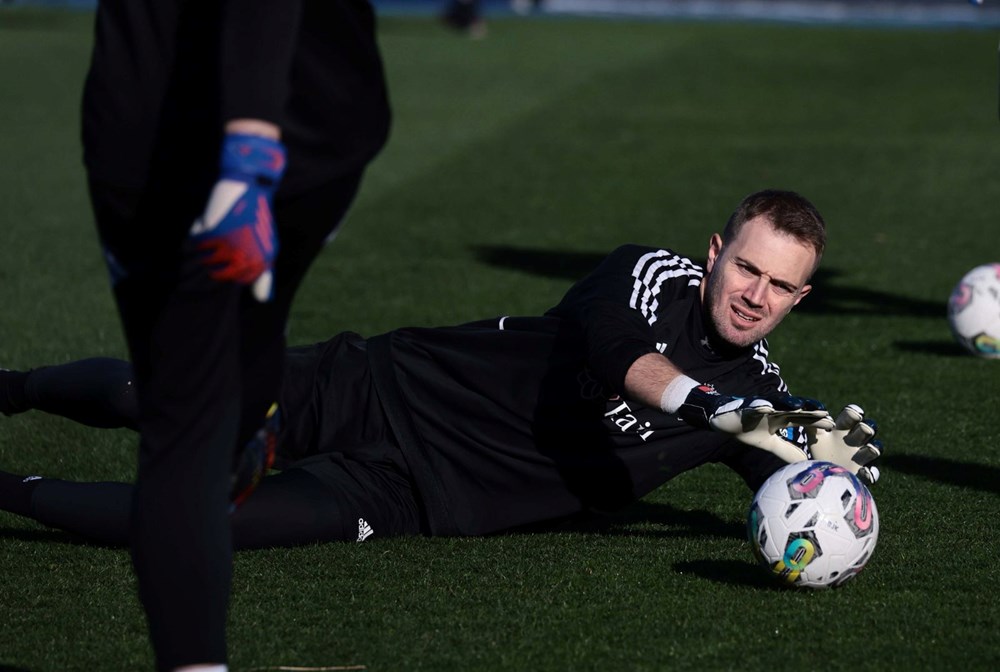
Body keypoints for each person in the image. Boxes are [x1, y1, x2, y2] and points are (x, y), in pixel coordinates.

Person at [1, 190, 882, 553]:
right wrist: (714, 409)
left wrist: (827, 476)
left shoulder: (759, 399)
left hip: (410, 494)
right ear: (717, 252)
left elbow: (792, 482)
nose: (756, 295)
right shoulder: (646, 275)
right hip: (385, 384)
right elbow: (624, 362)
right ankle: (12, 389)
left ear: (800, 300)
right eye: (748, 269)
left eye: (781, 286)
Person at [77, 1, 390, 670]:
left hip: (260, 143)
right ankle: (246, 419)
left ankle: (247, 417)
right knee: (195, 423)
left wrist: (250, 156)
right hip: (254, 145)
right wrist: (248, 155)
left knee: (194, 420)